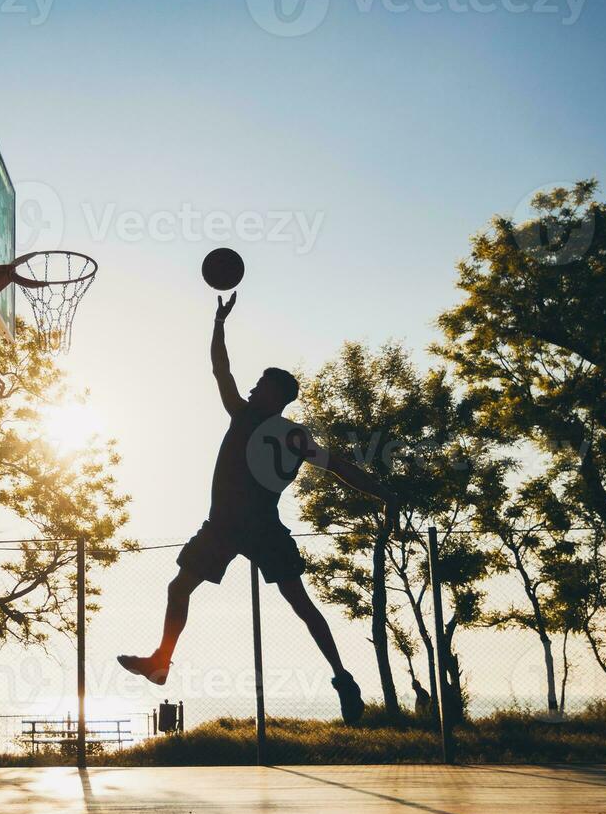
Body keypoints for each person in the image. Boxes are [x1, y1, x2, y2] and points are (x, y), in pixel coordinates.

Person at [117, 293, 397, 723]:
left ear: (275, 395)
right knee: (184, 589)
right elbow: (341, 467)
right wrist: (386, 494)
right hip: (237, 525)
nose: (251, 387)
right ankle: (160, 662)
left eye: (260, 384)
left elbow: (221, 369)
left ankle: (343, 679)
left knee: (297, 603)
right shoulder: (276, 427)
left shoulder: (254, 419)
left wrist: (218, 323)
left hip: (244, 526)